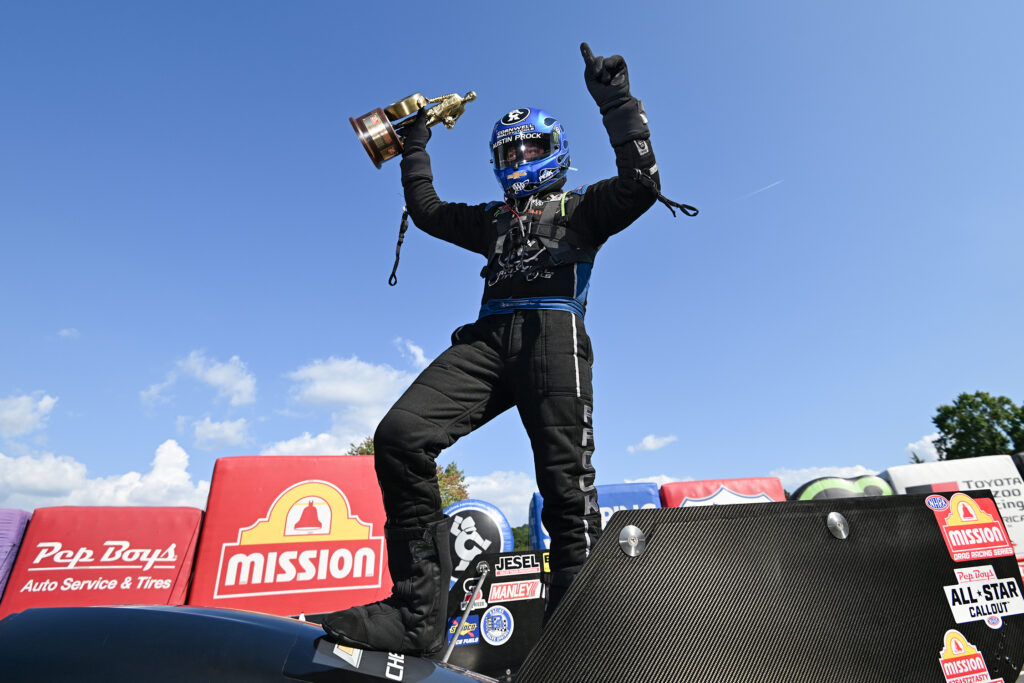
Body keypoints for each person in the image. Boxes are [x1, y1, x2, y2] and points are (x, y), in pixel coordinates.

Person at [322, 42, 694, 657]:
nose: (519, 157)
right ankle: (416, 616)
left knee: (566, 493)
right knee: (400, 437)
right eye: (508, 150)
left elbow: (641, 184)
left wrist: (617, 102)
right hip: (489, 339)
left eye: (531, 147)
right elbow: (428, 210)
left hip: (554, 339)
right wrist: (414, 144)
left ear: (555, 153)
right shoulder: (493, 221)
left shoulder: (583, 208)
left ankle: (585, 642)